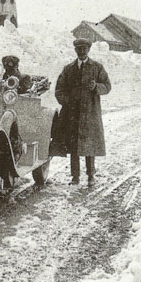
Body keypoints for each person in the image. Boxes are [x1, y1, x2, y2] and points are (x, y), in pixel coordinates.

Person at [54, 38, 111, 185]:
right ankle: (75, 177)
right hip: (72, 114)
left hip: (90, 113)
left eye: (84, 49)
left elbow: (107, 86)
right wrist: (67, 101)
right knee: (74, 146)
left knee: (89, 146)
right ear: (75, 50)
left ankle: (91, 175)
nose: (81, 51)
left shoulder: (97, 67)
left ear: (88, 50)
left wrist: (96, 87)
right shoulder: (68, 69)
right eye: (79, 49)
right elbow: (59, 90)